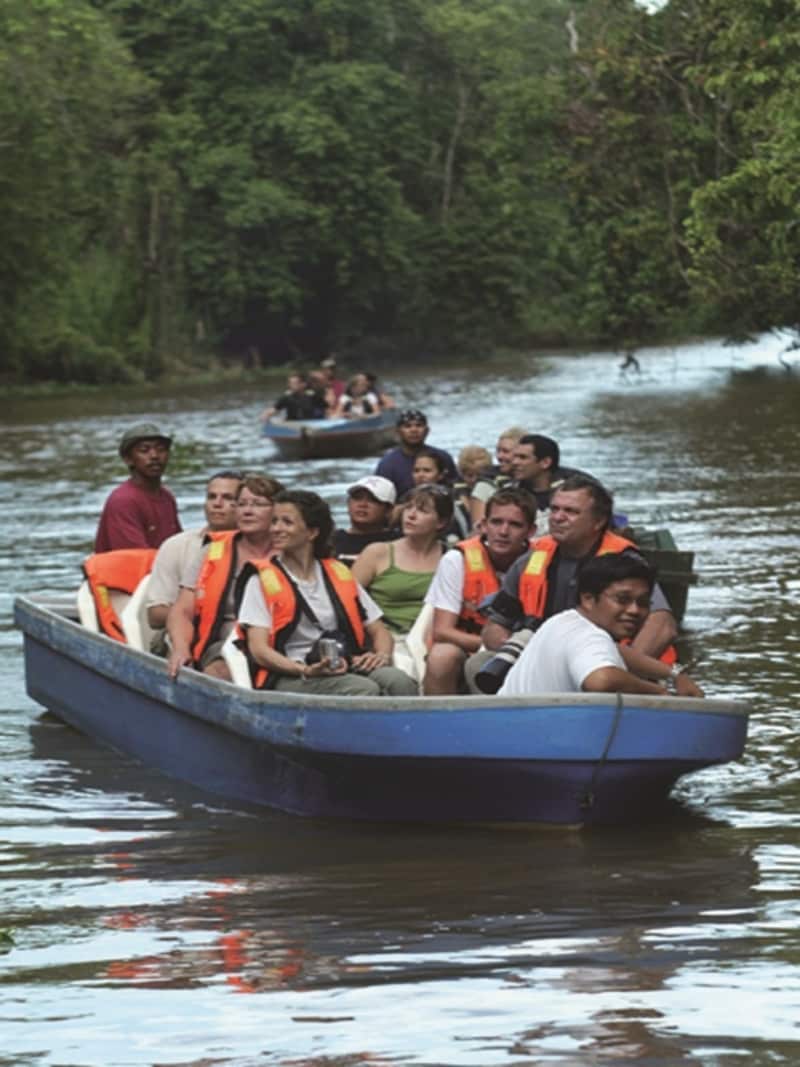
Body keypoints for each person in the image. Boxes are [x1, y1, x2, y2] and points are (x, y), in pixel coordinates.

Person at [469, 474, 678, 690]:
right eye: (555, 509)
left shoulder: (625, 563)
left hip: (607, 663)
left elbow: (663, 626)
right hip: (547, 661)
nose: (558, 518)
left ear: (598, 521)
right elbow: (496, 625)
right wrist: (522, 650)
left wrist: (622, 670)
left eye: (571, 512)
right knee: (477, 665)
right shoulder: (531, 560)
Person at [238, 489, 417, 696]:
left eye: (287, 522)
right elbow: (259, 650)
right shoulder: (260, 580)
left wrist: (381, 656)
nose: (276, 529)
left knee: (399, 682)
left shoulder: (337, 572)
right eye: (274, 522)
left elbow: (379, 630)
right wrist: (305, 670)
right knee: (362, 688)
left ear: (312, 532)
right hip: (292, 673)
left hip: (342, 664)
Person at [499, 554, 702, 697]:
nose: (634, 610)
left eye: (643, 603)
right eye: (622, 599)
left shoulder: (563, 621)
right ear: (588, 599)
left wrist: (674, 674)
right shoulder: (588, 636)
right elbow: (602, 680)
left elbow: (617, 651)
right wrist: (659, 692)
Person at [166, 474, 284, 680]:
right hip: (227, 648)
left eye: (257, 504)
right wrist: (180, 648)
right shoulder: (211, 552)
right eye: (241, 504)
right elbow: (183, 610)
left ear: (278, 511)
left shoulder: (291, 552)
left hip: (283, 644)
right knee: (220, 672)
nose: (247, 511)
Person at [423, 488, 537, 695]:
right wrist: (495, 646)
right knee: (441, 657)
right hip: (469, 643)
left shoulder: (543, 562)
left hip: (527, 646)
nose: (503, 531)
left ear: (531, 531)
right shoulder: (456, 560)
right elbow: (441, 631)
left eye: (515, 525)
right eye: (496, 522)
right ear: (483, 525)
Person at [145, 470, 243, 637]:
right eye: (211, 497)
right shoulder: (176, 546)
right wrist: (208, 618)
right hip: (184, 635)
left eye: (228, 498)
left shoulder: (260, 548)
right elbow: (155, 615)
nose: (217, 504)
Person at [351, 484, 453, 635]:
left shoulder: (452, 557)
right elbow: (348, 600)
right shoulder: (377, 553)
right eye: (408, 507)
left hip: (433, 637)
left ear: (441, 522)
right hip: (385, 637)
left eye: (422, 511)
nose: (411, 515)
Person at [95, 422, 181, 553]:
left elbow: (179, 546)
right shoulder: (124, 501)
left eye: (161, 449)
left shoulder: (166, 497)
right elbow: (136, 558)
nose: (154, 456)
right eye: (144, 450)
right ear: (128, 459)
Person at [375, 409, 457, 497]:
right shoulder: (387, 464)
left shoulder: (443, 457)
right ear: (398, 432)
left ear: (427, 431)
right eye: (407, 426)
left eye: (419, 425)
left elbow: (457, 490)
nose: (414, 430)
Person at [333, 475, 397, 567]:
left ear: (388, 510)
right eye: (357, 498)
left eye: (373, 500)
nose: (362, 504)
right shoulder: (330, 541)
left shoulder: (399, 544)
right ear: (348, 503)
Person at [468, 426, 526, 526]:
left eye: (505, 451)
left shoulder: (533, 482)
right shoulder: (484, 487)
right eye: (498, 451)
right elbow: (479, 528)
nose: (499, 457)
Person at [509, 434, 578, 511]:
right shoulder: (510, 492)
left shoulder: (572, 495)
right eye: (514, 457)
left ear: (545, 463)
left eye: (523, 457)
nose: (515, 462)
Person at [261, 372, 325, 422]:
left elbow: (326, 408)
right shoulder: (286, 398)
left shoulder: (312, 396)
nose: (292, 386)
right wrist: (266, 415)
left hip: (311, 423)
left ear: (303, 384)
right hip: (292, 424)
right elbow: (274, 409)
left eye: (295, 383)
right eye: (291, 383)